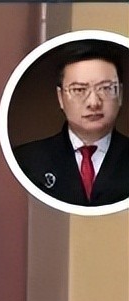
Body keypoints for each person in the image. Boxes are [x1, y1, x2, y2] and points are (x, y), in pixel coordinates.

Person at [14, 41, 129, 207]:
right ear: (60, 97)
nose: (93, 103)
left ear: (120, 94)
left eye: (105, 88)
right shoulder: (27, 161)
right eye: (79, 90)